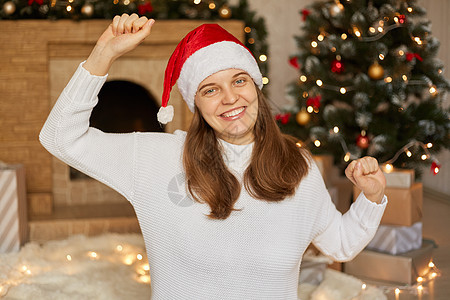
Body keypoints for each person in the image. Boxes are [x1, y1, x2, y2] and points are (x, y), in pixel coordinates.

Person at [40, 14, 387, 299]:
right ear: (196, 104)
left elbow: (341, 245)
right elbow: (59, 137)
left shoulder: (298, 167)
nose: (230, 98)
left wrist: (371, 197)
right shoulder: (155, 158)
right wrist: (104, 52)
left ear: (255, 86)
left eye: (239, 81)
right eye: (211, 89)